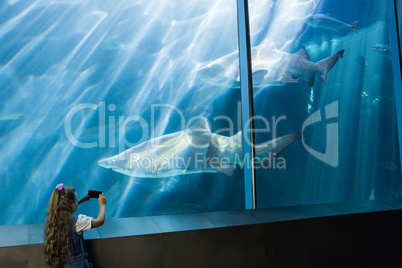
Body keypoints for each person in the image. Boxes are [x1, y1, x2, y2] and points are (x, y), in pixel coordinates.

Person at [44, 183, 107, 267]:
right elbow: (100, 220)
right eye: (76, 201)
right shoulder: (79, 223)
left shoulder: (54, 220)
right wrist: (102, 204)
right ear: (72, 205)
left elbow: (66, 208)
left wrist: (82, 200)